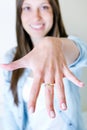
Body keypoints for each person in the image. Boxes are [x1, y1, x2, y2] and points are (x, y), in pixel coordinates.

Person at [0, 0, 87, 130]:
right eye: (27, 8)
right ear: (20, 14)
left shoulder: (67, 47)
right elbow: (9, 114)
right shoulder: (10, 57)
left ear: (54, 12)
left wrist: (55, 45)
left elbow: (83, 52)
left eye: (44, 7)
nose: (36, 17)